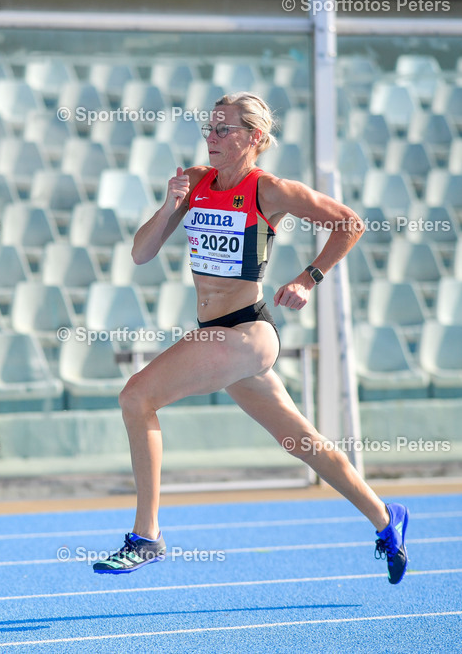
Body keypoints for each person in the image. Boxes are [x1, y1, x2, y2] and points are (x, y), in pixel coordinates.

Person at [91, 92, 409, 584]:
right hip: (214, 336)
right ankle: (387, 520)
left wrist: (309, 278)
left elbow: (350, 223)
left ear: (255, 138)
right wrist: (170, 205)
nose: (212, 138)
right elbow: (141, 253)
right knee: (301, 441)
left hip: (247, 331)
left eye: (224, 130)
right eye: (209, 128)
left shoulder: (270, 190)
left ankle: (146, 536)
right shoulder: (195, 182)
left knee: (136, 396)